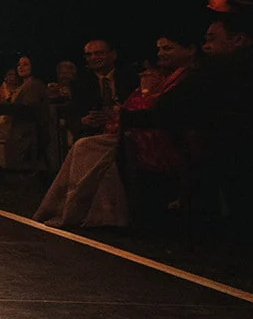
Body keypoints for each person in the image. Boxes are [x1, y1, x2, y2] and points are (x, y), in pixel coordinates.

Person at [37, 35, 197, 229]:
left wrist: (121, 112)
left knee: (86, 148)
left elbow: (148, 109)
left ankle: (73, 212)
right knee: (85, 146)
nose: (94, 58)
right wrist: (84, 121)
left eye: (99, 53)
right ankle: (78, 211)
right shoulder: (81, 83)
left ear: (113, 55)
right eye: (89, 54)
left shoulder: (135, 76)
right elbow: (73, 113)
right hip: (108, 129)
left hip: (147, 135)